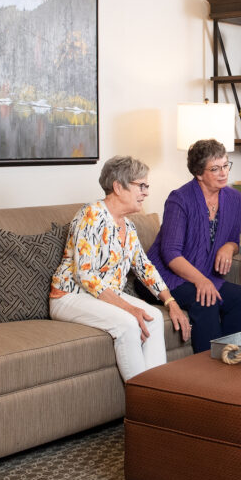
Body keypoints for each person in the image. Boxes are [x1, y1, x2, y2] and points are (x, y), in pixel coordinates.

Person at [50, 155, 190, 381]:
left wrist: (169, 301)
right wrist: (129, 308)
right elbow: (85, 275)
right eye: (141, 185)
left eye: (147, 186)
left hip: (104, 296)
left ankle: (157, 394)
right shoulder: (91, 215)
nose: (146, 192)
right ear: (118, 186)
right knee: (128, 323)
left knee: (152, 317)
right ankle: (142, 403)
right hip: (69, 296)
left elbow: (145, 268)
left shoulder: (129, 227)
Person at [143, 139, 241, 352]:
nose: (224, 173)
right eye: (215, 168)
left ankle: (230, 359)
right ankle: (210, 374)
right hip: (164, 275)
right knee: (206, 302)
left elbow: (234, 241)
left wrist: (228, 247)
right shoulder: (179, 199)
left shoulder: (234, 198)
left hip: (200, 273)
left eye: (225, 165)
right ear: (199, 173)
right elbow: (170, 253)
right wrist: (202, 281)